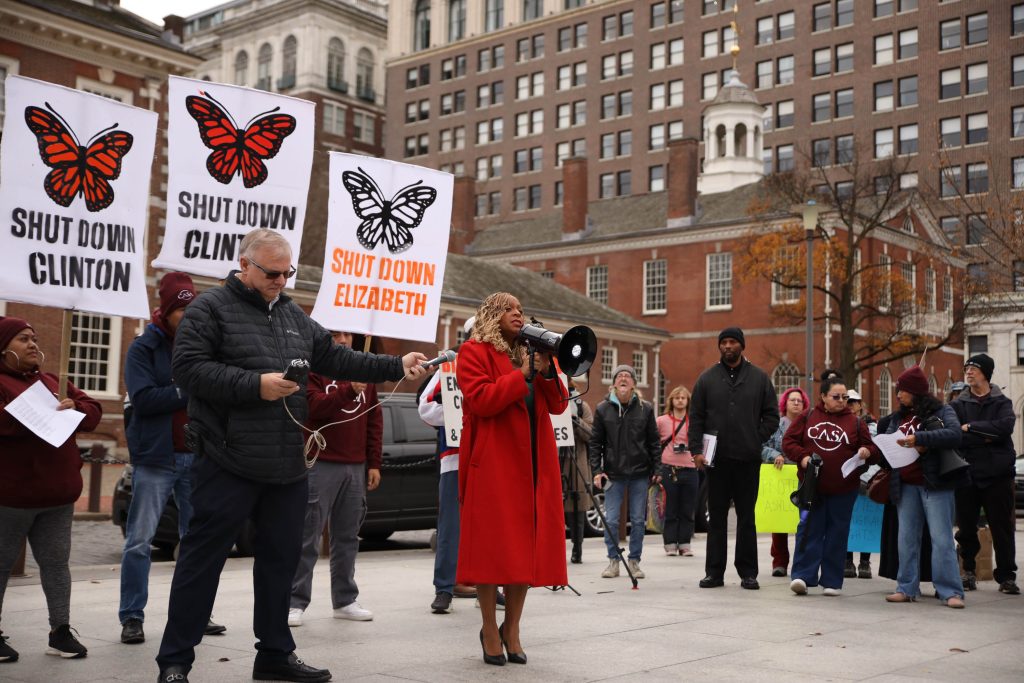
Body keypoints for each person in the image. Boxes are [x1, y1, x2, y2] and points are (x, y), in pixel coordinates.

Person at [155, 229, 428, 683]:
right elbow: (188, 370)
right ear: (244, 265)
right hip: (227, 460)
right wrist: (255, 385)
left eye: (287, 273)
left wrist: (395, 365)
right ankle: (175, 661)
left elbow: (337, 357)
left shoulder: (292, 317)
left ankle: (275, 655)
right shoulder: (209, 309)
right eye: (272, 273)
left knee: (282, 562)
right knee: (202, 561)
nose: (281, 281)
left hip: (287, 463)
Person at [456, 292, 567, 666]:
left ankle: (513, 627)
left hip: (535, 466)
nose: (518, 314)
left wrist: (547, 370)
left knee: (526, 550)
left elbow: (558, 405)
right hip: (495, 467)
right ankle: (490, 627)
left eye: (520, 310)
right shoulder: (474, 353)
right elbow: (482, 400)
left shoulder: (531, 353)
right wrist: (521, 376)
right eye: (509, 309)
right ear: (491, 314)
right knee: (492, 551)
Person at [119, 273, 225, 645]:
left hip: (197, 456)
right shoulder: (143, 348)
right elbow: (145, 399)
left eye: (193, 306)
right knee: (139, 541)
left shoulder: (206, 345)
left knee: (197, 542)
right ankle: (132, 615)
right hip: (156, 458)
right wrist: (190, 386)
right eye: (182, 308)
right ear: (166, 310)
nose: (189, 314)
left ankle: (196, 612)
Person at [0, 317, 102, 662]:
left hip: (57, 496)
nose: (32, 344)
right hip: (11, 498)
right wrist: (33, 413)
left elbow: (92, 411)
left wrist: (75, 407)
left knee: (57, 564)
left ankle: (61, 631)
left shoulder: (52, 382)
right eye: (22, 339)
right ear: (3, 348)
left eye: (34, 338)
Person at [288, 331, 382, 627]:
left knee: (347, 537)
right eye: (334, 334)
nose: (342, 339)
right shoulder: (312, 369)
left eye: (346, 334)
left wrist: (374, 462)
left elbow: (374, 419)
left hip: (355, 465)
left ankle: (345, 599)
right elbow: (313, 408)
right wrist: (348, 391)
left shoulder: (363, 368)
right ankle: (294, 601)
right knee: (308, 535)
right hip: (320, 462)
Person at [688, 327, 780, 590]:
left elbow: (771, 416)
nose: (728, 346)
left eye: (732, 342)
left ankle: (748, 572)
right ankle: (714, 572)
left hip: (747, 459)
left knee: (746, 517)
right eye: (724, 342)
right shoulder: (707, 379)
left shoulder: (760, 379)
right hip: (715, 460)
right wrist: (696, 450)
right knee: (715, 517)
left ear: (742, 346)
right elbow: (696, 418)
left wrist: (755, 437)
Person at [783, 371, 881, 597]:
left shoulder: (856, 423)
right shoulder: (808, 417)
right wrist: (803, 457)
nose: (842, 401)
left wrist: (867, 451)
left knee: (838, 533)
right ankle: (802, 576)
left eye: (845, 397)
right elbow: (788, 442)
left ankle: (832, 581)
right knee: (808, 530)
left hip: (844, 490)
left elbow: (875, 452)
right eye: (836, 397)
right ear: (823, 397)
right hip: (812, 487)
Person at [878, 365, 967, 608]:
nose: (898, 395)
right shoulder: (897, 418)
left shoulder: (941, 410)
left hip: (935, 485)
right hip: (905, 486)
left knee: (941, 540)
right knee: (906, 539)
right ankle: (906, 588)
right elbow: (886, 445)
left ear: (915, 391)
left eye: (902, 390)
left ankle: (950, 591)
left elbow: (954, 435)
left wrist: (920, 439)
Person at [951, 354, 1018, 595]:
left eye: (974, 368)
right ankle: (968, 571)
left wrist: (972, 428)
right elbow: (955, 434)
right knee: (966, 528)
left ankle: (1007, 576)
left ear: (986, 373)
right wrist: (986, 436)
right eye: (967, 367)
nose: (968, 371)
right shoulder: (958, 405)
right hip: (967, 473)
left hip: (998, 476)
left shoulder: (1002, 402)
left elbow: (1005, 428)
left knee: (1002, 527)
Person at [589, 365, 661, 579]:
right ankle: (613, 561)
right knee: (611, 520)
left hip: (640, 473)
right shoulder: (602, 409)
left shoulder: (645, 409)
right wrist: (596, 470)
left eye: (627, 376)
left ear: (633, 384)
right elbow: (595, 443)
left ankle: (634, 561)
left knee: (638, 520)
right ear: (613, 383)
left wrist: (657, 469)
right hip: (612, 474)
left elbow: (654, 442)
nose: (623, 378)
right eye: (619, 376)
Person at [761, 386, 810, 576]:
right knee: (779, 523)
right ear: (785, 404)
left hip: (802, 477)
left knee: (802, 523)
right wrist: (774, 455)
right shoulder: (775, 425)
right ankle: (779, 562)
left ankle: (801, 562)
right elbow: (762, 446)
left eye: (799, 400)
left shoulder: (809, 425)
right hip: (779, 477)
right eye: (792, 400)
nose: (796, 403)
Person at [656, 386, 698, 557]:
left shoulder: (694, 422)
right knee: (671, 509)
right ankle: (670, 543)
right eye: (677, 398)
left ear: (688, 401)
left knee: (687, 509)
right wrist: (656, 469)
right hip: (668, 470)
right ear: (671, 401)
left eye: (683, 398)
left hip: (690, 469)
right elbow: (653, 445)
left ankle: (685, 543)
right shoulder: (661, 421)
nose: (680, 400)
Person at [844, 389, 876, 580]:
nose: (850, 405)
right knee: (846, 521)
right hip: (847, 479)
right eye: (847, 401)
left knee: (867, 522)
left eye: (853, 402)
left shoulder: (872, 426)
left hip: (866, 479)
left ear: (860, 404)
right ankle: (847, 560)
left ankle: (865, 562)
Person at [563, 376, 594, 564]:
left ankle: (578, 548)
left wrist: (577, 421)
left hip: (577, 459)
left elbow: (592, 434)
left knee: (578, 507)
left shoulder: (582, 405)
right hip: (555, 458)